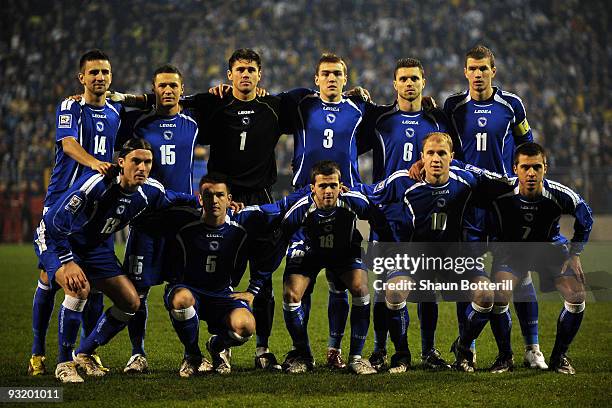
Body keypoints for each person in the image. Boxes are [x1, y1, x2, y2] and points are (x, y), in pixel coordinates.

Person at [33, 138, 198, 383]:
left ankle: (84, 353)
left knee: (130, 302)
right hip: (60, 240)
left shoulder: (149, 191)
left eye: (147, 162)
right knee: (79, 289)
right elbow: (56, 224)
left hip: (96, 248)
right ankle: (64, 362)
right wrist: (68, 261)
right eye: (136, 161)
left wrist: (201, 201)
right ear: (121, 162)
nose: (142, 167)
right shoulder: (96, 184)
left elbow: (172, 198)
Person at [361, 132, 516, 373]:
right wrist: (339, 189)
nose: (435, 158)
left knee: (486, 295)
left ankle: (463, 347)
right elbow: (367, 193)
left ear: (451, 157)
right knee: (392, 291)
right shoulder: (402, 181)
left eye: (442, 153)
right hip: (415, 258)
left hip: (455, 259)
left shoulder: (465, 180)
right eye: (430, 153)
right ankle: (402, 355)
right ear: (421, 157)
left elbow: (504, 183)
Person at [443, 45, 544, 370]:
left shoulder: (512, 104)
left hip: (504, 205)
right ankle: (468, 351)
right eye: (472, 69)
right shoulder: (453, 106)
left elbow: (528, 146)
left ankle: (529, 349)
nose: (477, 74)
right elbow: (445, 147)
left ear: (493, 71)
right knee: (468, 280)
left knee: (517, 275)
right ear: (465, 72)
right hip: (469, 205)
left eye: (483, 69)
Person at [358, 58, 458, 371]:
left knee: (427, 287)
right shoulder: (379, 119)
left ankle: (428, 351)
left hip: (427, 214)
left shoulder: (437, 120)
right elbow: (348, 127)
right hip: (387, 214)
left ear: (423, 81)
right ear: (395, 84)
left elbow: (452, 157)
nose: (409, 84)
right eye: (403, 79)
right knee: (383, 285)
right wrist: (355, 93)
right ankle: (379, 350)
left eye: (414, 78)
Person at [29, 49, 121, 376]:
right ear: (81, 78)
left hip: (92, 212)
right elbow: (68, 143)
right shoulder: (70, 106)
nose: (99, 78)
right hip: (60, 209)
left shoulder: (115, 112)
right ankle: (39, 352)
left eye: (104, 73)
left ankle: (86, 353)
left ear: (111, 79)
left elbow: (145, 103)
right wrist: (95, 163)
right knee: (51, 280)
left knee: (93, 284)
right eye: (93, 72)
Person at [166, 173, 301, 376]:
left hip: (223, 294)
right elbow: (161, 198)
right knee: (181, 298)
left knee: (246, 326)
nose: (214, 200)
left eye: (220, 195)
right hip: (191, 291)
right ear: (200, 198)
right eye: (208, 195)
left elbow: (282, 209)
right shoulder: (185, 223)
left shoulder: (244, 222)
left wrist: (253, 289)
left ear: (230, 200)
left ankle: (217, 346)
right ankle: (192, 356)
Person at [116, 64, 199, 373]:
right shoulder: (138, 123)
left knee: (183, 289)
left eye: (173, 86)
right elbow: (115, 114)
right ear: (153, 90)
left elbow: (215, 101)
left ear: (181, 89)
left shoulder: (193, 120)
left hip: (182, 222)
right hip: (145, 219)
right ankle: (138, 353)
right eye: (162, 86)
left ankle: (192, 355)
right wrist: (136, 101)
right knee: (136, 292)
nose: (168, 91)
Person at [486, 142, 593, 374]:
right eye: (525, 167)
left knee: (576, 296)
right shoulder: (503, 192)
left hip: (550, 251)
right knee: (498, 294)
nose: (531, 173)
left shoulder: (559, 194)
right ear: (515, 168)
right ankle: (505, 356)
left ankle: (558, 357)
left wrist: (575, 254)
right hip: (514, 253)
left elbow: (585, 215)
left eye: (537, 167)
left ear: (545, 168)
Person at [280, 160, 391, 375]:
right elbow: (282, 231)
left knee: (360, 288)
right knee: (291, 294)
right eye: (323, 186)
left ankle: (355, 358)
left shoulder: (352, 201)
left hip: (344, 252)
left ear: (341, 186)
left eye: (333, 185)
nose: (329, 191)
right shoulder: (301, 208)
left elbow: (378, 218)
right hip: (310, 252)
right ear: (313, 188)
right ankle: (304, 355)